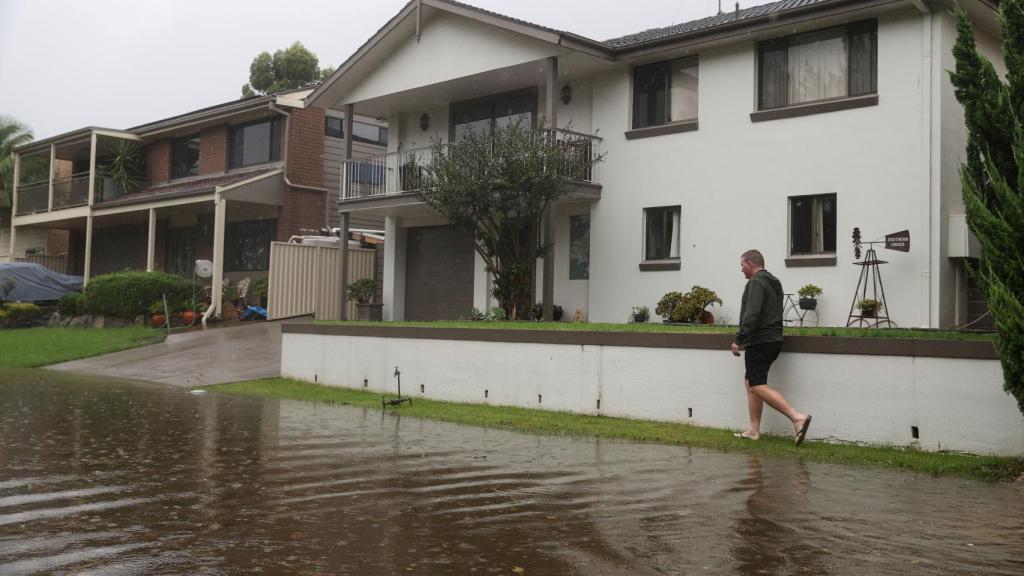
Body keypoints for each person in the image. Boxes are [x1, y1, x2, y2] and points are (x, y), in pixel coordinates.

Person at [731, 249, 812, 446]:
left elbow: (752, 313)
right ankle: (753, 430)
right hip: (774, 339)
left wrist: (739, 339)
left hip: (760, 340)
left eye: (742, 265)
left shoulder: (756, 283)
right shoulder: (774, 282)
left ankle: (797, 418)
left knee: (757, 385)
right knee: (751, 383)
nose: (741, 270)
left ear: (750, 264)